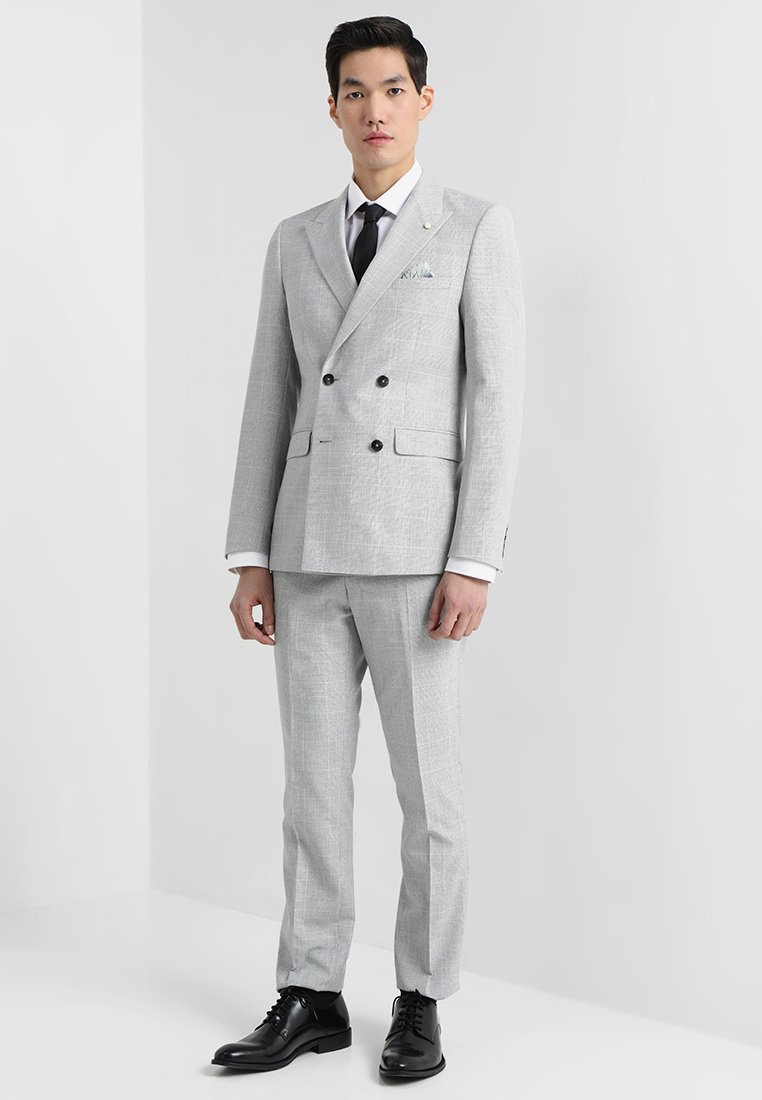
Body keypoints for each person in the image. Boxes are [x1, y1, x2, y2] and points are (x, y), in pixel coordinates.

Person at [211, 14, 525, 1079]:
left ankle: (421, 995)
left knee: (431, 795)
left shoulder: (472, 227)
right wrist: (248, 552)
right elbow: (269, 397)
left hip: (417, 551)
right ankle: (311, 990)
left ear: (424, 102)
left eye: (393, 89)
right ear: (333, 107)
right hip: (306, 546)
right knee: (311, 788)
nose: (374, 109)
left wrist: (473, 558)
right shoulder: (295, 237)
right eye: (355, 91)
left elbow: (499, 401)